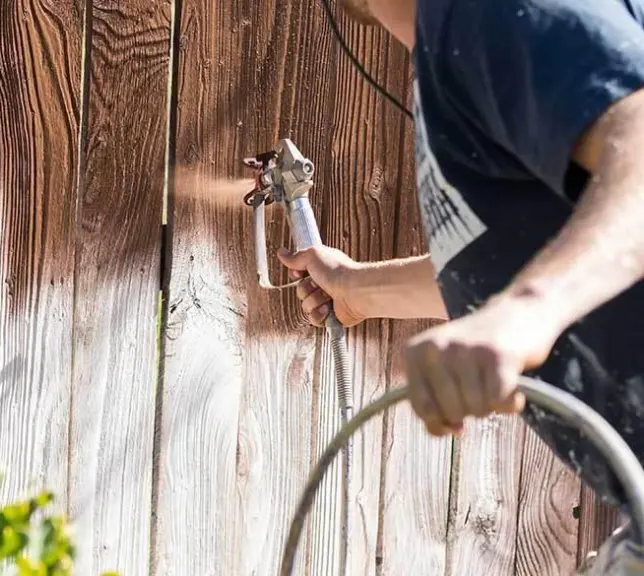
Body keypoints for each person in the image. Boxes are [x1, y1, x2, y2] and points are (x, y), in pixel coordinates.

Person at [276, 0, 644, 572]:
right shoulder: (456, 47)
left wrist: (527, 312)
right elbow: (543, 252)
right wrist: (358, 289)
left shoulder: (486, 11)